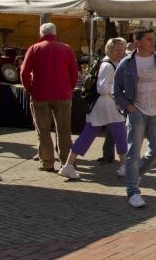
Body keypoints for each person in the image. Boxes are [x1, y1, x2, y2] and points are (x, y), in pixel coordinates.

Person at [113, 27, 156, 208]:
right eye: (149, 39)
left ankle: (135, 174)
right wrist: (128, 106)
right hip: (137, 113)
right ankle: (132, 191)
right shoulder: (126, 63)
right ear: (137, 42)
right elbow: (116, 91)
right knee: (133, 153)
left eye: (153, 39)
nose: (153, 42)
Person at [59, 38, 128, 180]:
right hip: (107, 105)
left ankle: (68, 165)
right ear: (109, 50)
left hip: (102, 106)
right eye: (118, 50)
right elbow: (102, 88)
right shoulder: (108, 65)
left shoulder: (110, 63)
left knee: (88, 135)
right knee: (120, 134)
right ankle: (124, 166)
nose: (121, 53)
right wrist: (120, 89)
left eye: (123, 50)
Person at [20, 23, 79, 173]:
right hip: (63, 94)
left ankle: (47, 162)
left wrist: (30, 89)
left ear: (41, 34)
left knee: (43, 131)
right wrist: (69, 88)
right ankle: (67, 161)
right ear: (55, 33)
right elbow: (74, 72)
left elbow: (24, 72)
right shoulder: (66, 48)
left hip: (40, 95)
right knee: (64, 130)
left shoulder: (34, 49)